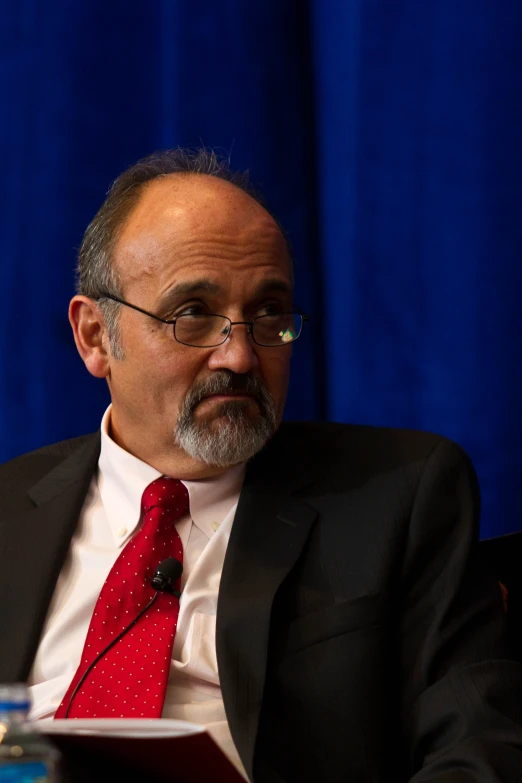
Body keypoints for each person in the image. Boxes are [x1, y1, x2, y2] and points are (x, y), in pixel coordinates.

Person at [0, 148, 521, 783]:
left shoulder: (398, 497)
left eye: (270, 312)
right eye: (193, 313)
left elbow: (478, 754)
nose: (242, 357)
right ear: (95, 337)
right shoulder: (9, 511)